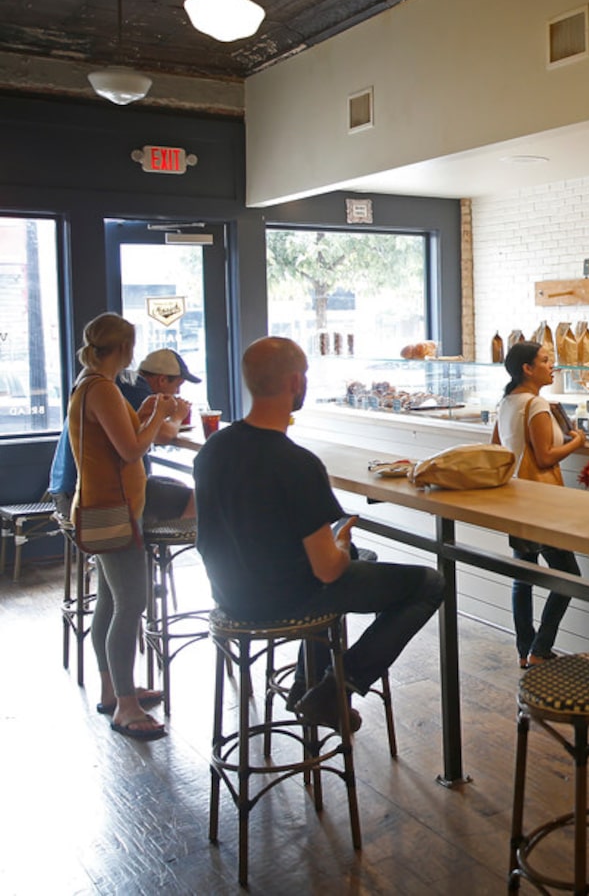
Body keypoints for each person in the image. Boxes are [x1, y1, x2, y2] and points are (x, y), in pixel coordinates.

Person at [193, 337, 443, 730]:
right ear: (296, 382)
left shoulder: (213, 449)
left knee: (363, 559)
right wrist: (339, 543)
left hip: (230, 594)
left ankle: (304, 685)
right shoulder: (297, 464)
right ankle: (333, 691)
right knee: (428, 583)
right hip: (284, 600)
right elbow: (328, 570)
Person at [67, 314, 191, 740]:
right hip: (114, 509)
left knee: (110, 600)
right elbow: (133, 448)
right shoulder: (100, 388)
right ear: (123, 349)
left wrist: (147, 411)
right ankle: (125, 706)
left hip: (103, 505)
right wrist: (159, 418)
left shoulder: (91, 384)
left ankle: (113, 688)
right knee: (131, 604)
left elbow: (119, 437)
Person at [492, 340, 585, 668]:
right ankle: (540, 648)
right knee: (569, 575)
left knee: (523, 575)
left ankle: (525, 650)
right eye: (545, 361)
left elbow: (495, 449)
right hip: (541, 502)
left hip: (515, 498)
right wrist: (577, 442)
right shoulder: (537, 405)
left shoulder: (506, 402)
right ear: (527, 369)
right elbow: (545, 457)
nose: (551, 366)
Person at [49, 346, 197, 519]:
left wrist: (148, 415)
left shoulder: (113, 383)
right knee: (199, 498)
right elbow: (163, 436)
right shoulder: (132, 385)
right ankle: (151, 542)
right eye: (177, 385)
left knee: (175, 485)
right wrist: (177, 417)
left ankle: (151, 544)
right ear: (162, 380)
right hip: (89, 498)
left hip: (71, 490)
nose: (178, 393)